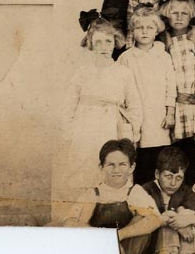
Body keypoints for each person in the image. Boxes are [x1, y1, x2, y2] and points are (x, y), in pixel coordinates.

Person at [58, 17, 141, 206]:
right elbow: (68, 105)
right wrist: (70, 133)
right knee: (86, 167)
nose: (104, 47)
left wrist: (132, 133)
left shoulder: (123, 72)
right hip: (85, 126)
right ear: (91, 44)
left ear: (115, 42)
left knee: (112, 164)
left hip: (112, 126)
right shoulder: (82, 72)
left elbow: (135, 105)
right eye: (99, 42)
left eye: (108, 42)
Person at [62, 139, 161, 254]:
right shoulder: (94, 193)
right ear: (101, 167)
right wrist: (105, 239)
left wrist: (119, 235)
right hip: (99, 248)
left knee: (142, 219)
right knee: (79, 223)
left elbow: (156, 219)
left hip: (127, 251)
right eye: (110, 165)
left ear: (132, 167)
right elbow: (69, 222)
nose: (116, 170)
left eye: (122, 164)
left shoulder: (134, 191)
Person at [118, 7, 177, 184]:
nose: (144, 32)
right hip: (135, 117)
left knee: (158, 159)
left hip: (158, 116)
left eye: (149, 28)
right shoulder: (126, 58)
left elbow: (170, 86)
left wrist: (170, 112)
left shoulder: (164, 56)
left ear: (157, 30)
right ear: (133, 31)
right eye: (139, 28)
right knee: (138, 158)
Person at [140, 147, 195, 254]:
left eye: (178, 178)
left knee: (186, 215)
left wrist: (186, 219)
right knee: (167, 219)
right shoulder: (146, 190)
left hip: (181, 252)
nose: (173, 183)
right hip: (154, 250)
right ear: (157, 174)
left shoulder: (184, 191)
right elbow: (147, 218)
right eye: (168, 176)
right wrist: (177, 224)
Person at [158, 0, 195, 180]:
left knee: (193, 149)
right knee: (173, 150)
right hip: (174, 104)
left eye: (183, 14)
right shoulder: (163, 40)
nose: (178, 18)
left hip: (193, 104)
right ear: (167, 15)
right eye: (174, 13)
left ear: (190, 15)